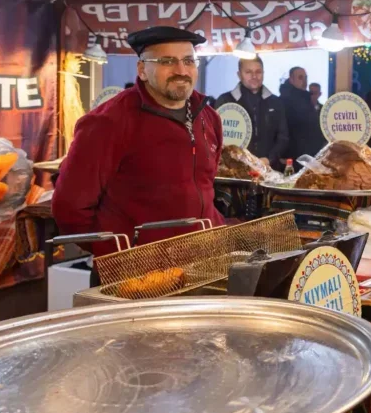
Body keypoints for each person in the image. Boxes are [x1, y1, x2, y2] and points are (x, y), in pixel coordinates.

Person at [52, 26, 224, 253]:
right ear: (142, 69)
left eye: (189, 61)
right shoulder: (108, 122)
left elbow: (204, 186)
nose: (181, 70)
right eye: (167, 61)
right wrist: (117, 252)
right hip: (137, 271)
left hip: (202, 259)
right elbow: (69, 207)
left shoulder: (209, 118)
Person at [215, 56, 289, 168]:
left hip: (268, 170)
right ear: (239, 75)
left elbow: (283, 138)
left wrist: (269, 159)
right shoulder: (225, 101)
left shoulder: (276, 102)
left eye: (258, 72)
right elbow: (214, 137)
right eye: (248, 72)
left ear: (263, 73)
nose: (254, 76)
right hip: (234, 171)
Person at [279, 66, 326, 164]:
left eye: (305, 78)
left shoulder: (304, 98)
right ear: (291, 79)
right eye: (300, 78)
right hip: (295, 156)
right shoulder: (285, 100)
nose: (304, 81)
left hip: (307, 155)